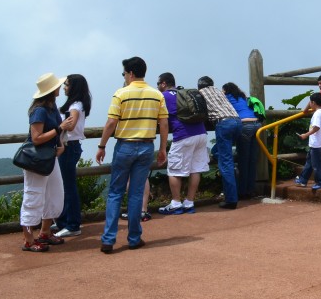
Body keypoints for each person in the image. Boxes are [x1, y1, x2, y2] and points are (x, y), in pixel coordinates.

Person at [95, 57, 168, 253]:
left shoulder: (121, 94)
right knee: (136, 194)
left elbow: (111, 123)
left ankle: (108, 239)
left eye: (124, 73)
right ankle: (134, 238)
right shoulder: (156, 95)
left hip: (124, 146)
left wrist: (102, 145)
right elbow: (164, 124)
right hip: (146, 147)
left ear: (131, 73)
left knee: (115, 193)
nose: (125, 77)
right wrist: (162, 149)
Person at [20, 73, 75, 252]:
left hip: (49, 157)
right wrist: (60, 129)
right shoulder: (40, 111)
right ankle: (28, 240)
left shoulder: (51, 108)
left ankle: (44, 232)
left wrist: (59, 144)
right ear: (52, 90)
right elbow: (36, 138)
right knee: (33, 197)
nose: (60, 88)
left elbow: (52, 133)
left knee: (55, 195)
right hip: (36, 159)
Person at [157, 73, 208, 215]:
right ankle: (189, 202)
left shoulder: (163, 96)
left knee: (174, 170)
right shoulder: (183, 92)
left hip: (183, 135)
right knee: (195, 169)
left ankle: (175, 203)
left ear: (163, 83)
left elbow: (160, 119)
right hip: (201, 133)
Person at [197, 76, 242, 209]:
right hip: (237, 122)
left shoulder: (201, 93)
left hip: (224, 124)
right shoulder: (218, 91)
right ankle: (233, 171)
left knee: (225, 162)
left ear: (199, 86)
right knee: (220, 153)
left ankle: (231, 200)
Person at [54, 73, 90, 238]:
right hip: (71, 147)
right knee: (66, 186)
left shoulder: (75, 105)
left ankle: (73, 225)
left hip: (69, 147)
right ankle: (65, 222)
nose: (64, 87)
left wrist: (60, 125)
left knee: (68, 188)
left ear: (73, 87)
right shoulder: (78, 104)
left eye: (67, 84)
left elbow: (71, 125)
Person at [223, 82, 261, 200]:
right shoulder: (243, 97)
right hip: (257, 125)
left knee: (243, 160)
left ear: (226, 90)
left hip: (245, 125)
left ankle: (242, 192)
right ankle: (250, 189)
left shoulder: (228, 98)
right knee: (252, 159)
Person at [295, 92, 321, 190]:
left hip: (316, 143)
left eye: (310, 102)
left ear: (313, 102)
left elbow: (316, 127)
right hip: (316, 142)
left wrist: (306, 134)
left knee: (317, 165)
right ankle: (303, 179)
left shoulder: (317, 114)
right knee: (309, 162)